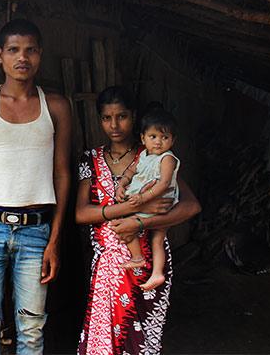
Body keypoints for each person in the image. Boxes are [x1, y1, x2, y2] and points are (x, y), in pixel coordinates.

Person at [0, 19, 71, 355]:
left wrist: (54, 241)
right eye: (14, 50)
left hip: (37, 232)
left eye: (30, 50)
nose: (23, 57)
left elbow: (62, 174)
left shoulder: (56, 106)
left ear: (40, 55)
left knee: (32, 329)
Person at [75, 86, 201, 355]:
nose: (114, 125)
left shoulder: (154, 155)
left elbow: (191, 206)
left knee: (141, 341)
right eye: (107, 118)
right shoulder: (91, 159)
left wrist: (141, 223)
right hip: (107, 265)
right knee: (105, 340)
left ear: (134, 116)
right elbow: (81, 214)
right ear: (99, 119)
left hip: (147, 263)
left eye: (122, 116)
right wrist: (127, 211)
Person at [115, 107, 180, 291]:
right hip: (143, 200)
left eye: (165, 137)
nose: (158, 142)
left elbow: (164, 183)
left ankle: (138, 258)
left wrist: (143, 198)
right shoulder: (143, 155)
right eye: (153, 137)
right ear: (143, 138)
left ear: (172, 140)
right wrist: (122, 184)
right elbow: (130, 171)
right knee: (156, 239)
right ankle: (157, 274)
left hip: (160, 203)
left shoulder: (167, 159)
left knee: (124, 226)